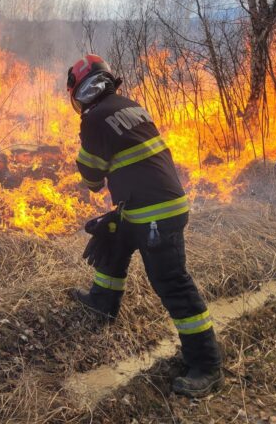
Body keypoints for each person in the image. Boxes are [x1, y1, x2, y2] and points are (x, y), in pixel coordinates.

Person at [67, 54, 222, 398]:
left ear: (79, 94)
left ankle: (206, 365)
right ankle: (102, 302)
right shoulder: (128, 105)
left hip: (156, 212)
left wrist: (86, 166)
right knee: (114, 237)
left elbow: (92, 176)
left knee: (172, 284)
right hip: (151, 204)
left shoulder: (93, 119)